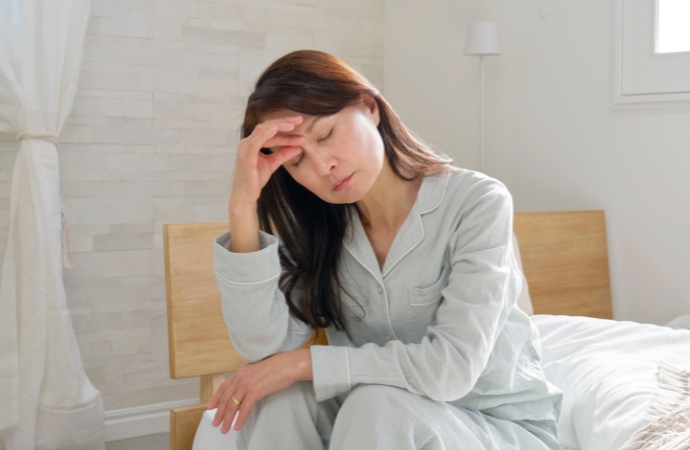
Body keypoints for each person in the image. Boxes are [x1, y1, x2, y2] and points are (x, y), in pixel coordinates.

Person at [205, 49, 563, 450]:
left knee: (377, 405)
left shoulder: (477, 202)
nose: (323, 166)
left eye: (326, 135)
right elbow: (263, 348)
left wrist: (304, 364)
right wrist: (242, 206)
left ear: (369, 107)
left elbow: (451, 371)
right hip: (380, 422)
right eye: (298, 160)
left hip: (493, 427)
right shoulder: (318, 230)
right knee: (278, 401)